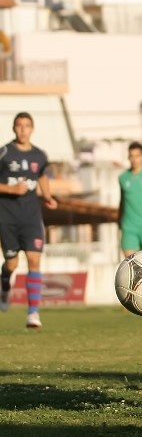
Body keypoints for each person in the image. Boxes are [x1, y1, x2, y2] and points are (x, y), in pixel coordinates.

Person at [0, 112, 58, 328]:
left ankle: (33, 313)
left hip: (31, 217)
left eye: (27, 126)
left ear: (32, 129)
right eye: (19, 125)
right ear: (14, 128)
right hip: (7, 218)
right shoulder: (4, 153)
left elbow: (41, 175)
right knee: (12, 263)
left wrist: (48, 195)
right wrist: (10, 189)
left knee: (34, 259)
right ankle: (5, 282)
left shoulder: (39, 155)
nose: (23, 129)